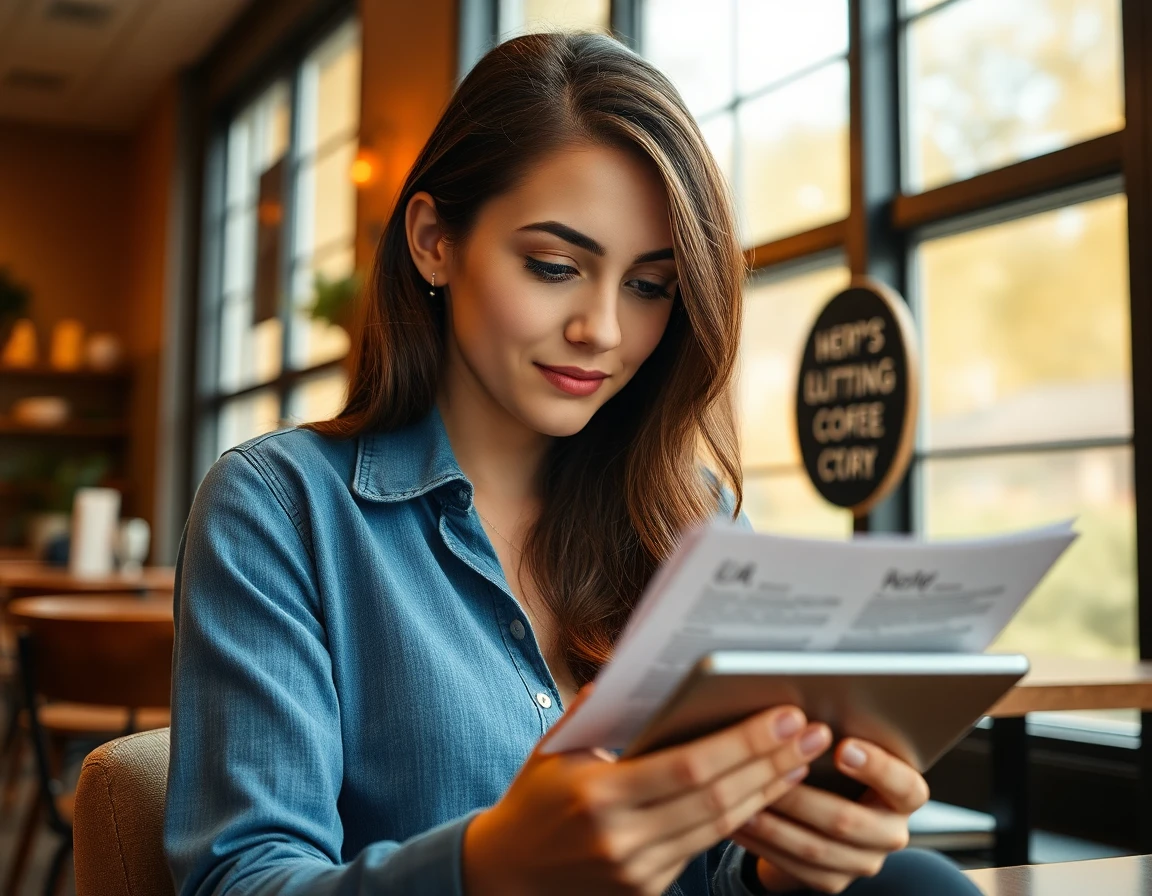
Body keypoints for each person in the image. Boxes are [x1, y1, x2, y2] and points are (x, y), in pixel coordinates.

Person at [164, 30, 982, 896]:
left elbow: (718, 873)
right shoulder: (281, 509)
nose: (605, 330)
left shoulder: (694, 517)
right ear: (434, 239)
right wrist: (487, 869)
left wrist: (787, 862)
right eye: (555, 266)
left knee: (913, 881)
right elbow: (241, 881)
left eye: (649, 285)